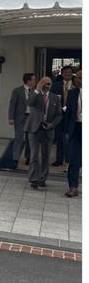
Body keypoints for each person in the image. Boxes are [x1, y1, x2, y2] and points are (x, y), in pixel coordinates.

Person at [25, 77, 62, 189]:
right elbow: (29, 103)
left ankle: (42, 179)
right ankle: (34, 179)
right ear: (40, 83)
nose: (47, 86)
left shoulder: (55, 98)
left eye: (49, 84)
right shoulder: (34, 94)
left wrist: (52, 125)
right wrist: (37, 89)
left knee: (46, 156)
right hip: (34, 128)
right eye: (44, 83)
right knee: (34, 155)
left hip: (48, 129)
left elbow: (59, 115)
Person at [7, 72, 36, 169]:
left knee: (29, 139)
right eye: (33, 79)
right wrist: (11, 117)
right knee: (19, 138)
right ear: (28, 80)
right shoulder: (17, 91)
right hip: (20, 117)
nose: (35, 81)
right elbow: (12, 104)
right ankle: (15, 158)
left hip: (31, 118)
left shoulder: (36, 91)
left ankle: (28, 157)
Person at [51, 65, 74, 165]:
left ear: (72, 73)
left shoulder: (77, 84)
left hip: (72, 115)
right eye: (65, 72)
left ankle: (69, 159)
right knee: (59, 137)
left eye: (69, 72)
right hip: (59, 114)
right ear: (62, 73)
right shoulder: (55, 85)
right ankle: (59, 159)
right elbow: (51, 99)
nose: (67, 74)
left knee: (70, 138)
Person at [63, 70, 81, 198]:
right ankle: (73, 187)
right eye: (77, 78)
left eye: (81, 78)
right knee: (74, 158)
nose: (77, 80)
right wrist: (66, 131)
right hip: (77, 128)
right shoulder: (72, 93)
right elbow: (69, 113)